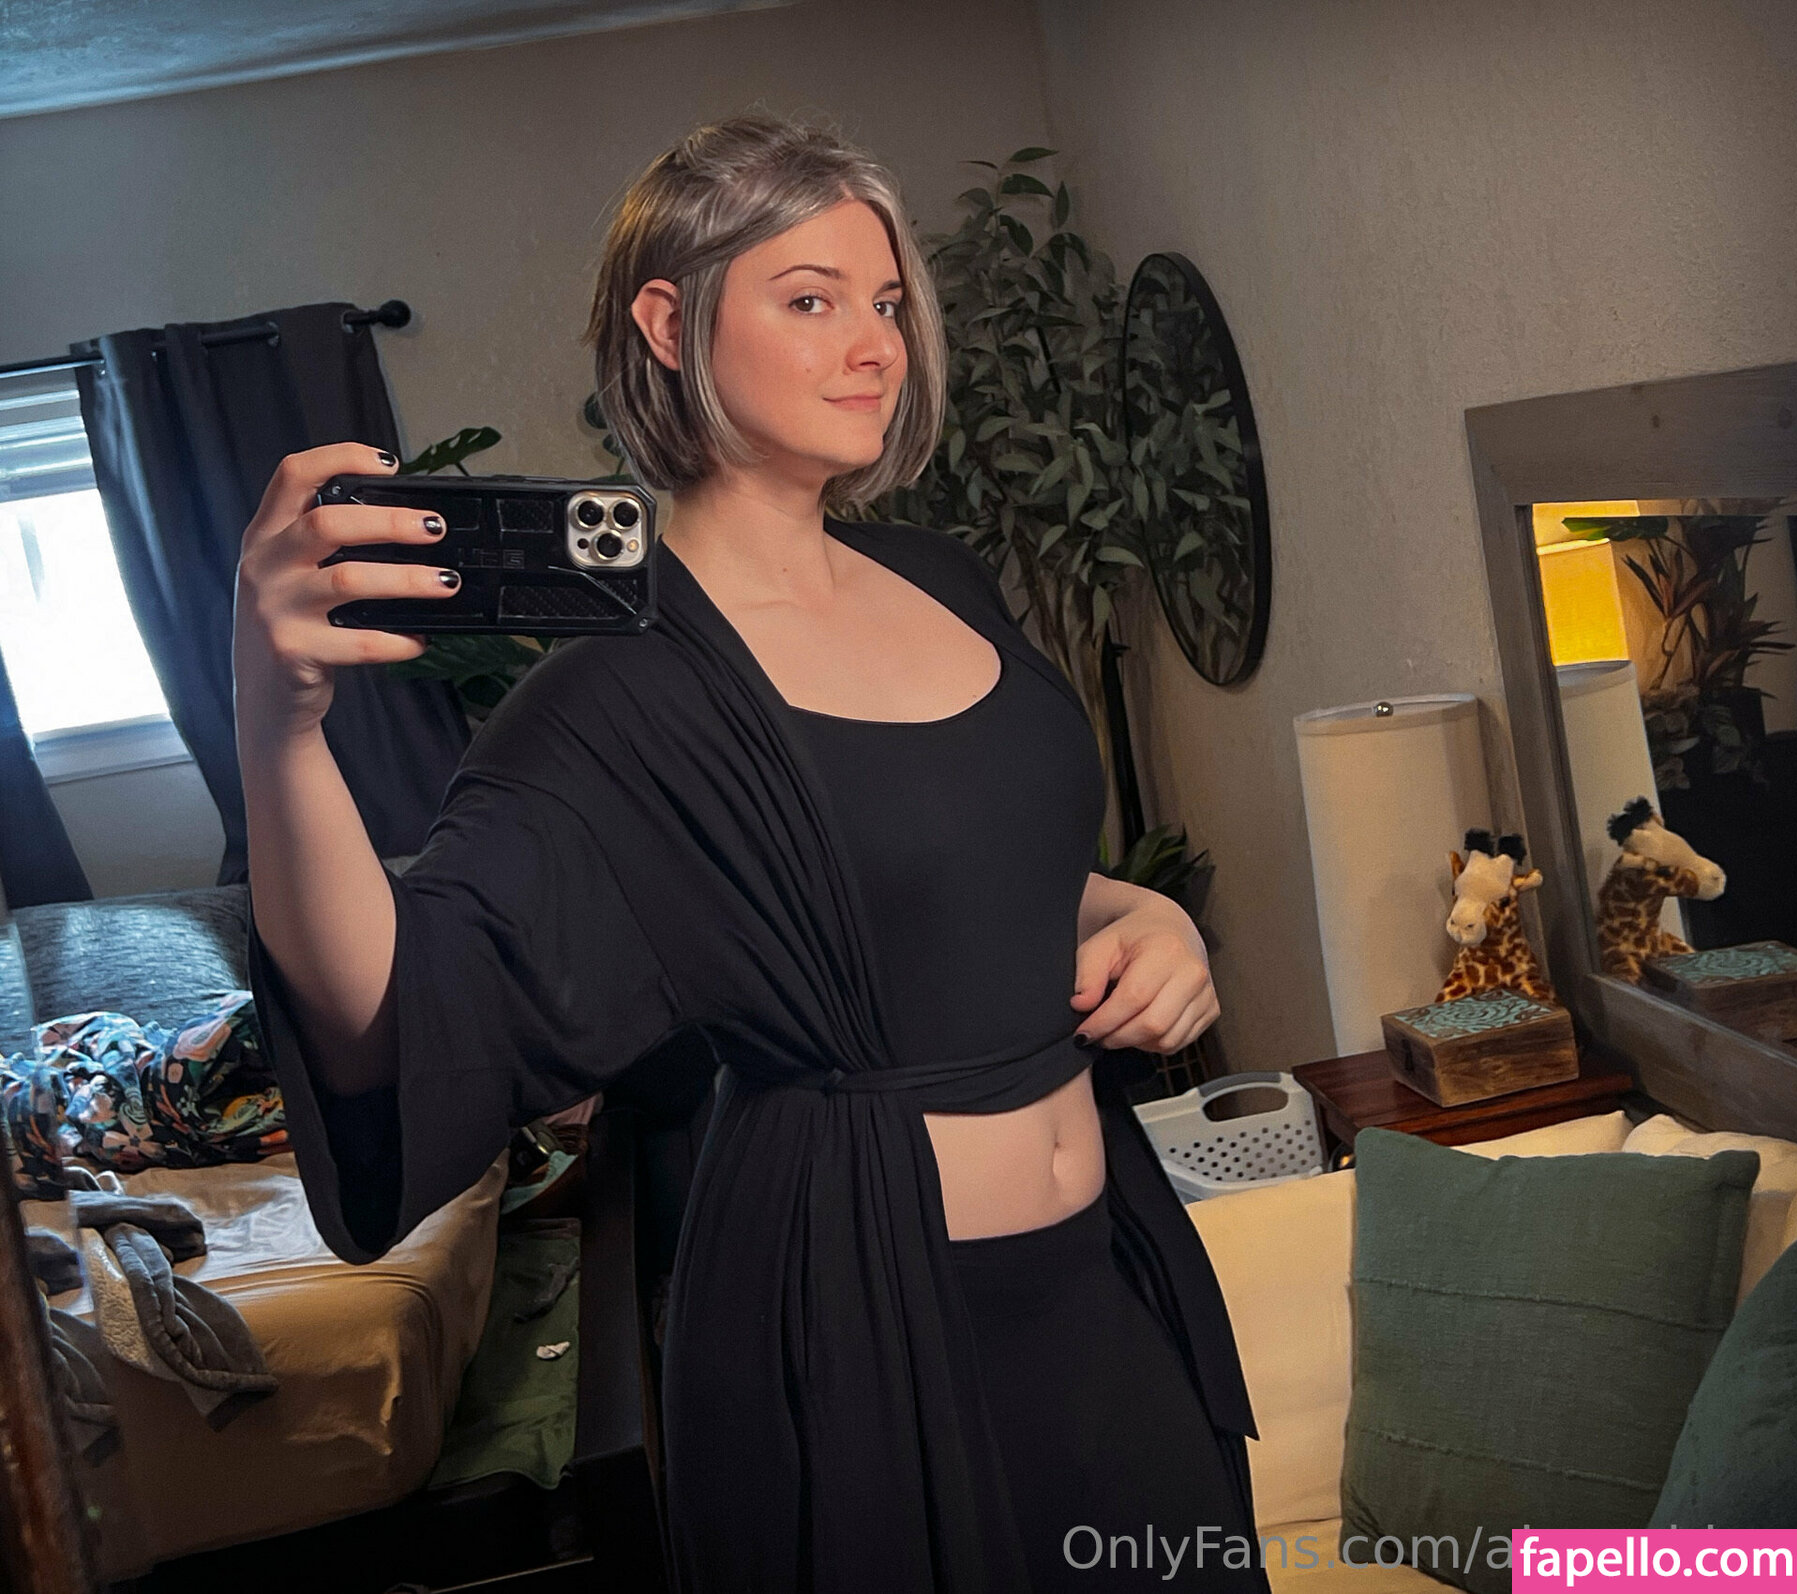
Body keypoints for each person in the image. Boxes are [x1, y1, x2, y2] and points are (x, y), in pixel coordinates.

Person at [234, 113, 1267, 1593]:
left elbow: (972, 869)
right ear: (671, 325)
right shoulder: (619, 692)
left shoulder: (946, 577)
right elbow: (395, 1012)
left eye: (887, 301)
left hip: (1109, 1274)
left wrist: (1141, 909)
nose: (875, 344)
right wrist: (277, 725)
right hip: (854, 1316)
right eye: (811, 299)